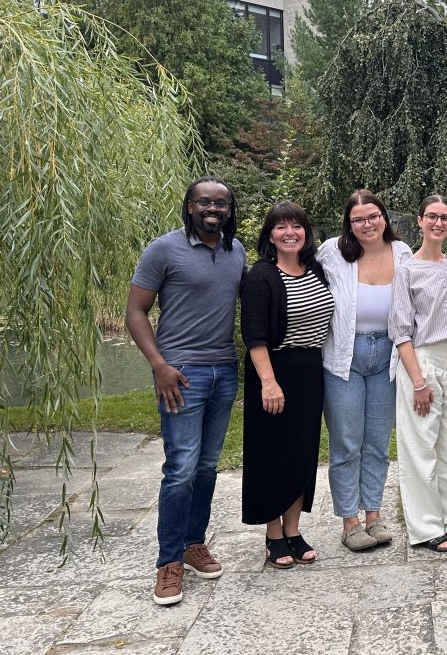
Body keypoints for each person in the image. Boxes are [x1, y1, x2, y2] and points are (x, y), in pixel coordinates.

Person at [126, 176, 245, 606]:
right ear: (189, 206)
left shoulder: (235, 251)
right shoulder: (163, 249)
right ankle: (169, 563)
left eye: (221, 204)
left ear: (230, 210)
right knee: (180, 467)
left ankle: (194, 544)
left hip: (224, 371)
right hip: (181, 373)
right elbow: (135, 311)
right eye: (204, 202)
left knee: (208, 466)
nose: (212, 209)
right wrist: (159, 365)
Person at [239, 201, 333, 568]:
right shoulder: (261, 276)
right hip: (273, 369)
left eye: (296, 225)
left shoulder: (317, 269)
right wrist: (268, 382)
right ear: (270, 235)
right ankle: (273, 534)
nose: (289, 232)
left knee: (302, 453)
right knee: (270, 455)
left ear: (306, 232)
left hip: (309, 370)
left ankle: (293, 531)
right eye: (281, 227)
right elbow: (254, 335)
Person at [318, 190, 412, 552]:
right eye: (358, 219)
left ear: (384, 217)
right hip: (344, 355)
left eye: (373, 216)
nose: (367, 224)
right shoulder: (331, 252)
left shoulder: (402, 254)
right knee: (346, 441)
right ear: (349, 223)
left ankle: (373, 515)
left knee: (376, 441)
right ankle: (349, 521)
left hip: (387, 356)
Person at [391, 195, 447, 553]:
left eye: (445, 217)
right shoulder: (407, 269)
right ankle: (425, 528)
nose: (439, 223)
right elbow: (400, 330)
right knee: (420, 445)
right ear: (420, 221)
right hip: (421, 360)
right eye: (432, 217)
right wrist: (418, 382)